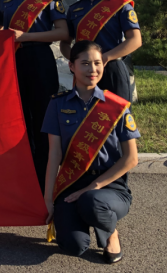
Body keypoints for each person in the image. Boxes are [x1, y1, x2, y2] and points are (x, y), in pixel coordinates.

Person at [43, 40, 139, 263]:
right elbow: (54, 155)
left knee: (92, 202)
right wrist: (48, 199)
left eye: (97, 63)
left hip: (109, 187)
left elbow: (131, 159)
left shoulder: (117, 107)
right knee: (74, 246)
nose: (92, 69)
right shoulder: (57, 105)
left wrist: (93, 186)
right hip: (71, 183)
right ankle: (82, 218)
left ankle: (110, 232)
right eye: (85, 63)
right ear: (72, 66)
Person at [0, 0, 69, 193]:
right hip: (12, 62)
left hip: (40, 59)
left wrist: (26, 36)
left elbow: (63, 32)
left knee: (43, 119)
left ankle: (45, 179)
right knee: (18, 119)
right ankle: (23, 177)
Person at [60, 0, 142, 102]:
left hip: (112, 69)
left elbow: (135, 40)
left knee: (116, 114)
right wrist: (77, 63)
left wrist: (104, 58)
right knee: (85, 114)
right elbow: (65, 43)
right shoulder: (74, 8)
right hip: (84, 73)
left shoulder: (120, 5)